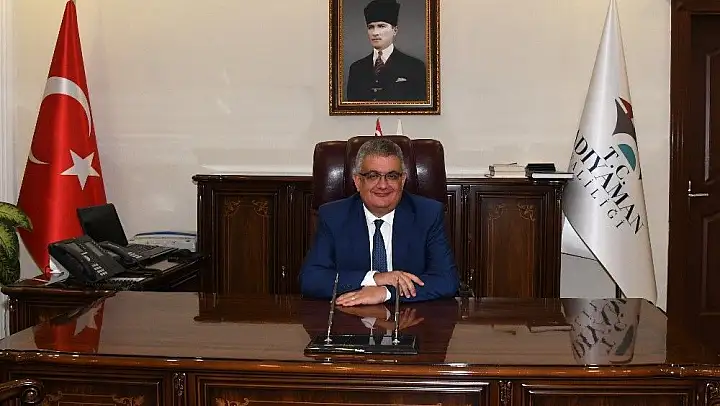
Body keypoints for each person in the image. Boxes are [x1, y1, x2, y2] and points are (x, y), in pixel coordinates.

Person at [299, 138, 459, 306]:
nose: (383, 185)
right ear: (358, 181)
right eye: (373, 176)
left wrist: (386, 292)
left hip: (411, 316)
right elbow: (311, 279)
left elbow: (446, 280)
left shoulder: (428, 214)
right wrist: (375, 278)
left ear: (403, 180)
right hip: (349, 316)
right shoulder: (333, 216)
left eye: (392, 176)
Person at [345, 0, 427, 102]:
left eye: (381, 26)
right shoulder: (356, 68)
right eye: (371, 27)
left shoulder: (415, 67)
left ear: (394, 30)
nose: (375, 33)